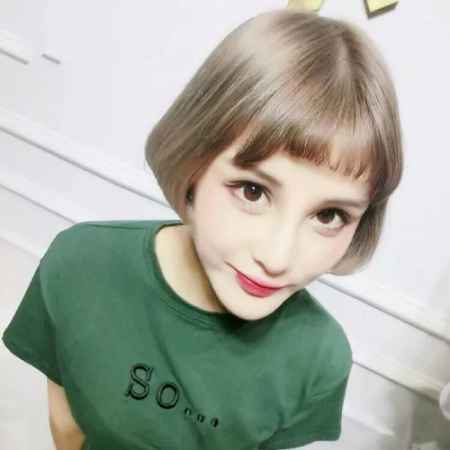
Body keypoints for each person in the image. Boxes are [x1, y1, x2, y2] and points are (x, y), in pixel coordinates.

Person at [2, 7, 403, 450]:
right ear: (193, 159)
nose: (278, 258)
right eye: (252, 191)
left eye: (328, 216)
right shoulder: (79, 266)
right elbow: (65, 424)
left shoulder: (320, 359)